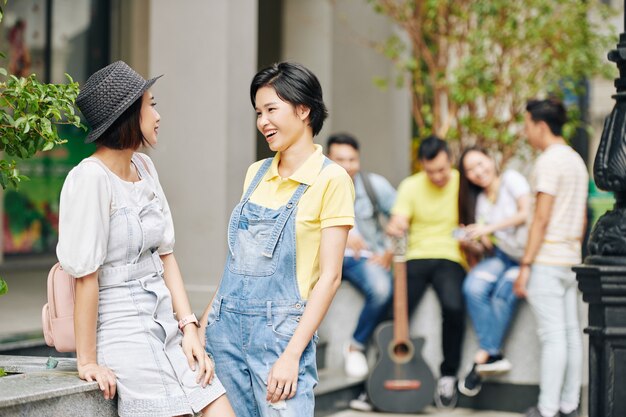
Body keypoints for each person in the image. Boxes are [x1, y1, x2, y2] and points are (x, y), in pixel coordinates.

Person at [57, 61, 235, 417]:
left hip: (165, 322)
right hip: (122, 329)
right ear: (127, 115)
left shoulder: (146, 168)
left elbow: (165, 255)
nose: (158, 115)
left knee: (220, 408)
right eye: (150, 104)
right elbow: (85, 276)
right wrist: (87, 361)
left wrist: (189, 328)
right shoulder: (89, 179)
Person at [200, 62, 355, 417]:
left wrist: (292, 355)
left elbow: (330, 277)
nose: (263, 122)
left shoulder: (332, 180)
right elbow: (236, 263)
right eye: (258, 112)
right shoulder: (256, 173)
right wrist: (203, 326)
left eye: (271, 109)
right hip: (225, 332)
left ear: (303, 110)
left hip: (281, 335)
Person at [514, 98, 588, 417]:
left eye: (527, 125)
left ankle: (547, 410)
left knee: (553, 337)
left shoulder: (548, 162)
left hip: (546, 259)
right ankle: (569, 405)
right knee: (570, 335)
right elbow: (582, 217)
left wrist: (526, 264)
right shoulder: (576, 160)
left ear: (541, 126)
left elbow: (541, 218)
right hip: (571, 257)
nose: (526, 132)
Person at [386, 135, 466, 409]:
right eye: (430, 171)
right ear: (421, 166)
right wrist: (395, 226)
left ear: (450, 160)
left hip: (450, 255)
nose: (438, 176)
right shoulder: (411, 185)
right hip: (416, 256)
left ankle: (448, 376)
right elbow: (398, 220)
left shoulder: (461, 181)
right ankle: (382, 373)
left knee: (454, 307)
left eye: (442, 169)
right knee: (393, 310)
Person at [456, 147, 531, 397]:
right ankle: (493, 353)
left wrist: (488, 227)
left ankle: (482, 357)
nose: (478, 172)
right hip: (500, 257)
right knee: (472, 287)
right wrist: (473, 241)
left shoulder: (512, 179)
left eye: (480, 164)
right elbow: (489, 244)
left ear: (491, 159)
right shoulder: (479, 200)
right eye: (470, 170)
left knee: (502, 293)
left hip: (524, 257)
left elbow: (526, 213)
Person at [326, 133, 395, 379]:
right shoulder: (314, 186)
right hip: (322, 257)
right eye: (339, 159)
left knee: (381, 288)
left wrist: (389, 251)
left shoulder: (374, 186)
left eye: (352, 159)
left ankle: (356, 345)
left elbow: (401, 218)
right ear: (327, 159)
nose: (346, 165)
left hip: (360, 259)